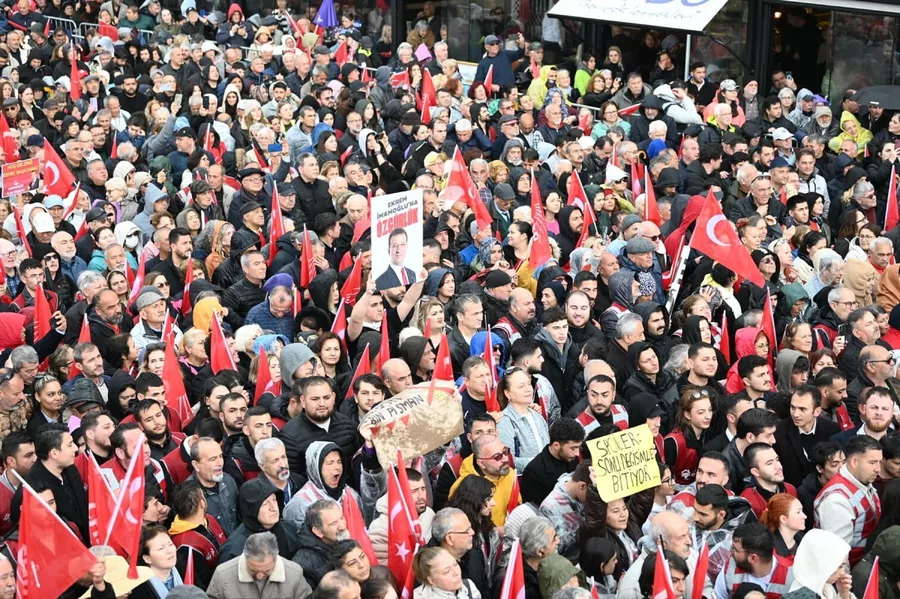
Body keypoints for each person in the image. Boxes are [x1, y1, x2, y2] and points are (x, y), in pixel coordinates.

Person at [814, 435, 882, 567]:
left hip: (864, 565)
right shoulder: (836, 500)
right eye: (872, 462)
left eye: (879, 462)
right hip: (854, 571)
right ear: (854, 462)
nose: (878, 469)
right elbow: (837, 555)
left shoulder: (862, 479)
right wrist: (846, 580)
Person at [206, 531, 313, 599]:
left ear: (276, 558)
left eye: (266, 571)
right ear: (245, 556)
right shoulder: (223, 574)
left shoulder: (294, 574)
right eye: (253, 570)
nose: (260, 576)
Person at [714, 521, 796, 599]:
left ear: (753, 558)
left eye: (735, 549)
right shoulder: (730, 568)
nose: (731, 552)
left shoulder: (792, 576)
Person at [782, 529, 853, 599]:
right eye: (839, 566)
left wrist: (844, 594)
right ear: (822, 564)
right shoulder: (803, 596)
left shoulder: (826, 588)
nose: (842, 572)